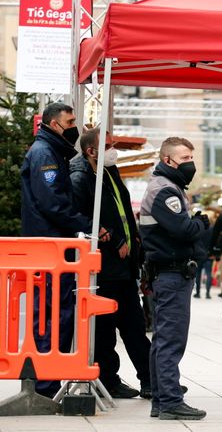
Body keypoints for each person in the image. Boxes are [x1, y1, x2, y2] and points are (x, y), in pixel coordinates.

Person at [20, 102, 110, 397]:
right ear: (54, 124)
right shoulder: (45, 153)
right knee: (51, 313)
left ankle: (48, 381)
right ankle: (45, 384)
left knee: (55, 312)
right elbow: (53, 203)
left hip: (54, 245)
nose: (74, 125)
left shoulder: (53, 151)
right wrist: (85, 224)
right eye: (70, 121)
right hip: (50, 247)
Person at [70, 128, 151, 399]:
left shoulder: (108, 173)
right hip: (103, 266)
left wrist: (134, 241)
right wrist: (111, 238)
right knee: (106, 329)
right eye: (107, 145)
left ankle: (151, 380)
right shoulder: (81, 177)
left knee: (134, 325)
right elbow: (81, 218)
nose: (112, 149)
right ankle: (110, 379)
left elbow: (122, 211)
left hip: (124, 265)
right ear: (90, 151)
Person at [140, 137, 208, 420]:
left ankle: (160, 399)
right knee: (171, 339)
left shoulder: (169, 187)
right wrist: (200, 225)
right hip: (171, 273)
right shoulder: (165, 191)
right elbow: (183, 229)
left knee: (162, 339)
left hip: (167, 272)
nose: (190, 163)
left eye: (192, 156)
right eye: (184, 158)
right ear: (168, 160)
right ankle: (169, 400)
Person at [194, 213, 216, 299]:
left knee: (198, 274)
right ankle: (207, 293)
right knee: (208, 274)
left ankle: (198, 292)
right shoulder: (212, 230)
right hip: (209, 254)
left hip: (199, 254)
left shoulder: (200, 229)